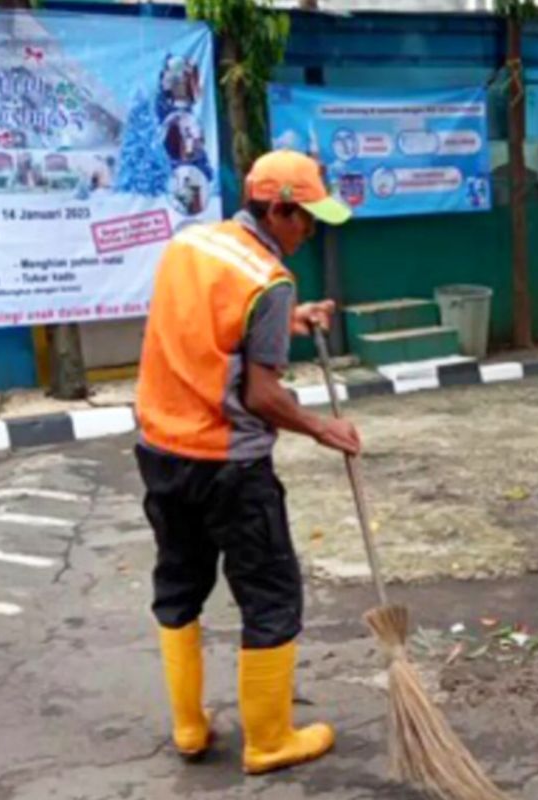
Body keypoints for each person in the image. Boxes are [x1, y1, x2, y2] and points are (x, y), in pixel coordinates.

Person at [135, 150, 359, 774]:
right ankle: (268, 741)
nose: (310, 232)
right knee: (270, 592)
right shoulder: (269, 279)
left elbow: (210, 329)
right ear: (279, 208)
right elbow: (261, 394)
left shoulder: (190, 245)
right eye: (307, 219)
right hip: (229, 467)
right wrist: (322, 428)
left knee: (179, 583)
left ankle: (188, 727)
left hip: (161, 452)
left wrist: (290, 322)